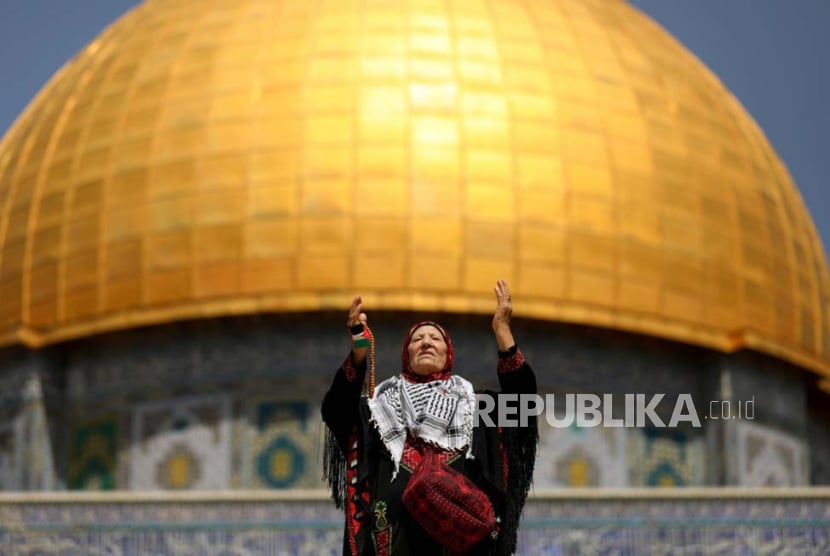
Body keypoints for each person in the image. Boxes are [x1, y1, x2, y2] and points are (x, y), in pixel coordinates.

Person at [322, 280, 537, 555]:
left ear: (448, 354)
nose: (425, 343)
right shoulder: (378, 410)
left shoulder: (476, 405)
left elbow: (523, 402)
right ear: (406, 354)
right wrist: (359, 351)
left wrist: (502, 330)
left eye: (435, 339)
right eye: (417, 339)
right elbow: (336, 409)